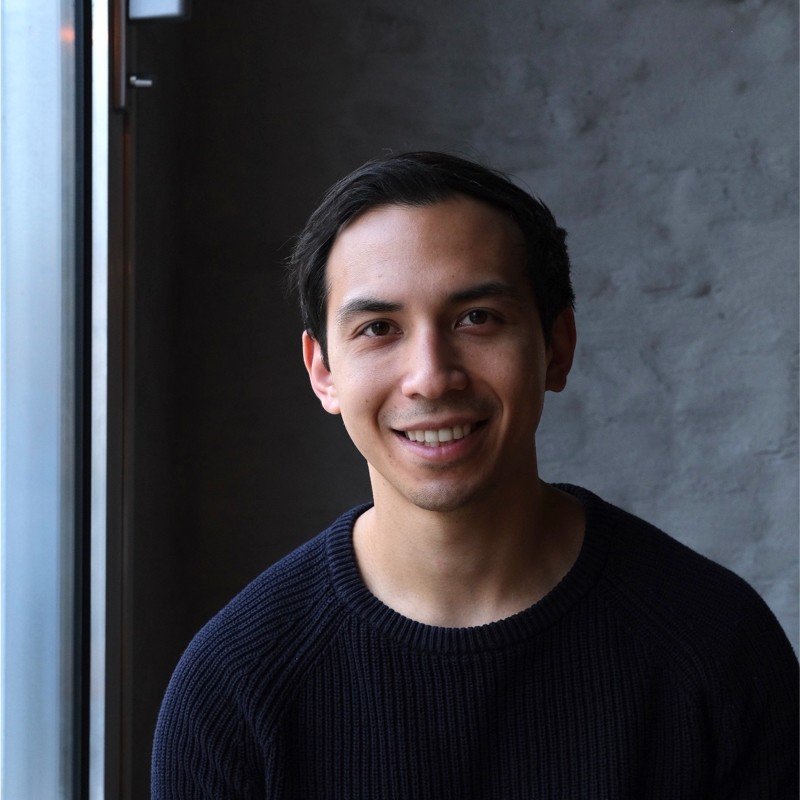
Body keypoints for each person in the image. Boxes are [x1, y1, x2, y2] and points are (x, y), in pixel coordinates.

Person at [152, 152, 798, 799]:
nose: (431, 377)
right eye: (379, 328)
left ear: (557, 346)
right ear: (323, 372)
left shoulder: (717, 646)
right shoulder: (234, 687)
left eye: (477, 318)